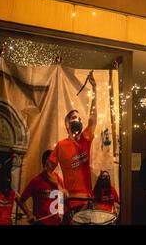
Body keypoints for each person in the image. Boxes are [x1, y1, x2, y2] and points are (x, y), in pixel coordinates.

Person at [46, 71, 97, 217]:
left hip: (88, 201)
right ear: (67, 124)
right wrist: (59, 187)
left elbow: (93, 119)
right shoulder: (61, 145)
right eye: (74, 118)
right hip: (71, 204)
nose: (78, 120)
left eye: (79, 118)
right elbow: (47, 170)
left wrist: (95, 89)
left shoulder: (85, 139)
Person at [19, 150, 65, 225]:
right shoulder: (37, 181)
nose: (55, 163)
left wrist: (60, 214)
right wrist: (29, 214)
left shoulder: (59, 179)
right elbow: (21, 200)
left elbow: (61, 198)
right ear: (46, 161)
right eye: (53, 160)